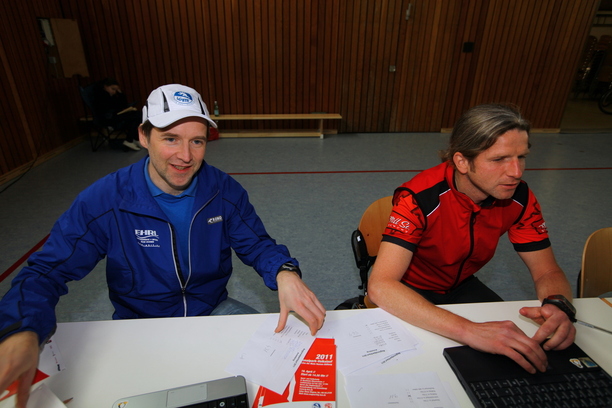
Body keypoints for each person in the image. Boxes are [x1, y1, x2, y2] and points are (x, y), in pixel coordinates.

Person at [0, 84, 326, 408]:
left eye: (197, 141)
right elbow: (45, 272)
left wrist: (285, 272)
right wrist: (22, 329)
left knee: (284, 372)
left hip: (212, 308)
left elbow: (257, 245)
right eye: (171, 139)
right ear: (144, 136)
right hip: (140, 323)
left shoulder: (223, 190)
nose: (185, 156)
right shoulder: (105, 199)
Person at [368, 103, 576, 375]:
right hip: (411, 289)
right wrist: (469, 330)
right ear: (462, 161)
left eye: (521, 157)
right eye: (499, 159)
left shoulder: (520, 197)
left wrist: (559, 305)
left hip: (462, 285)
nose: (516, 172)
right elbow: (381, 285)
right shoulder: (419, 197)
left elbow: (547, 271)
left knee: (520, 357)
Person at [91, 77, 141, 151]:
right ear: (105, 86)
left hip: (115, 115)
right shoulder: (100, 96)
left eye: (116, 90)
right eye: (113, 89)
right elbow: (107, 109)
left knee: (137, 115)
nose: (114, 92)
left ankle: (133, 139)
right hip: (108, 118)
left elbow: (123, 104)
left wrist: (120, 93)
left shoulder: (112, 95)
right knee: (136, 116)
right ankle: (130, 139)